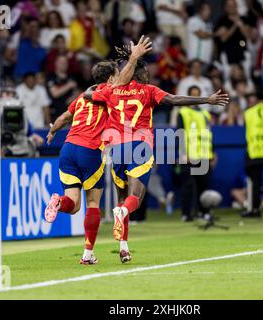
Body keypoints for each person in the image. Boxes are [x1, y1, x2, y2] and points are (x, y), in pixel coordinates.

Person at [84, 51, 229, 263]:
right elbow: (173, 99)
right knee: (135, 199)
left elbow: (87, 95)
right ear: (139, 75)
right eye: (146, 73)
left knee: (122, 198)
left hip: (115, 148)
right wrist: (206, 99)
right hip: (139, 147)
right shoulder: (148, 90)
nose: (148, 76)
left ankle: (124, 248)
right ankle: (122, 213)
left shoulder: (111, 91)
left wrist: (101, 85)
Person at [44, 36, 153, 265]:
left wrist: (53, 131)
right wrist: (133, 57)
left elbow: (64, 116)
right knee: (93, 204)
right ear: (112, 77)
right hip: (90, 150)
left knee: (72, 205)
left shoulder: (83, 96)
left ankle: (58, 201)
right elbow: (122, 84)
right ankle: (87, 253)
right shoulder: (110, 93)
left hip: (67, 149)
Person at [177, 85, 216, 222]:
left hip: (204, 155)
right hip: (189, 155)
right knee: (188, 187)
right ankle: (186, 214)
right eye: (192, 95)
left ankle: (203, 212)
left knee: (203, 186)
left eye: (197, 95)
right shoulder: (183, 112)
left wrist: (212, 153)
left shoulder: (205, 114)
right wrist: (182, 153)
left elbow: (208, 135)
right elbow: (180, 134)